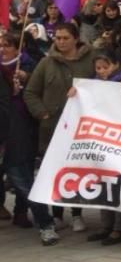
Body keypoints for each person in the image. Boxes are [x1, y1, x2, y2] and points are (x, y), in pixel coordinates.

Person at [23, 23, 96, 234]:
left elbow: (103, 83)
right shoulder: (46, 63)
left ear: (75, 39)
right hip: (52, 128)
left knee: (77, 170)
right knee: (55, 170)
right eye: (58, 38)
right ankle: (56, 215)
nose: (61, 42)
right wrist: (42, 113)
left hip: (81, 128)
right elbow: (31, 92)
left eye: (65, 38)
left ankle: (77, 214)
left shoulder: (90, 60)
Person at [0, 33, 58, 245]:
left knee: (23, 181)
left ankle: (46, 224)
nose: (2, 49)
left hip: (15, 132)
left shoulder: (27, 66)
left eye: (6, 45)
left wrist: (18, 88)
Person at [86, 50, 121, 245]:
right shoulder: (93, 85)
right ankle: (106, 225)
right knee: (103, 182)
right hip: (102, 139)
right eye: (98, 68)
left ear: (115, 66)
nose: (102, 71)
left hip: (120, 139)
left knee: (118, 184)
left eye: (106, 67)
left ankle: (120, 228)